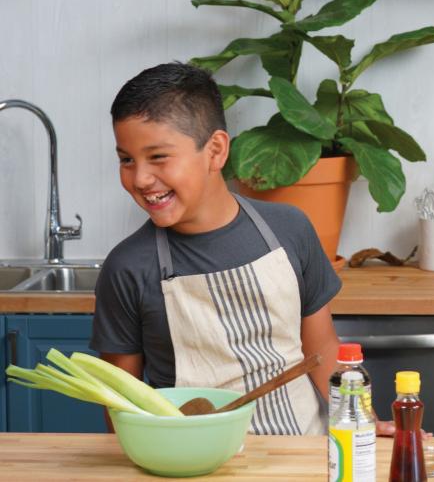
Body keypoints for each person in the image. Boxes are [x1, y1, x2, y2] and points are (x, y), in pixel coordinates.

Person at [91, 62, 342, 436]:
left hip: (301, 450)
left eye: (158, 157)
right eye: (126, 159)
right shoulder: (128, 268)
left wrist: (364, 423)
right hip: (190, 458)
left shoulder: (289, 229)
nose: (140, 178)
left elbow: (323, 349)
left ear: (216, 150)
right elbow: (121, 406)